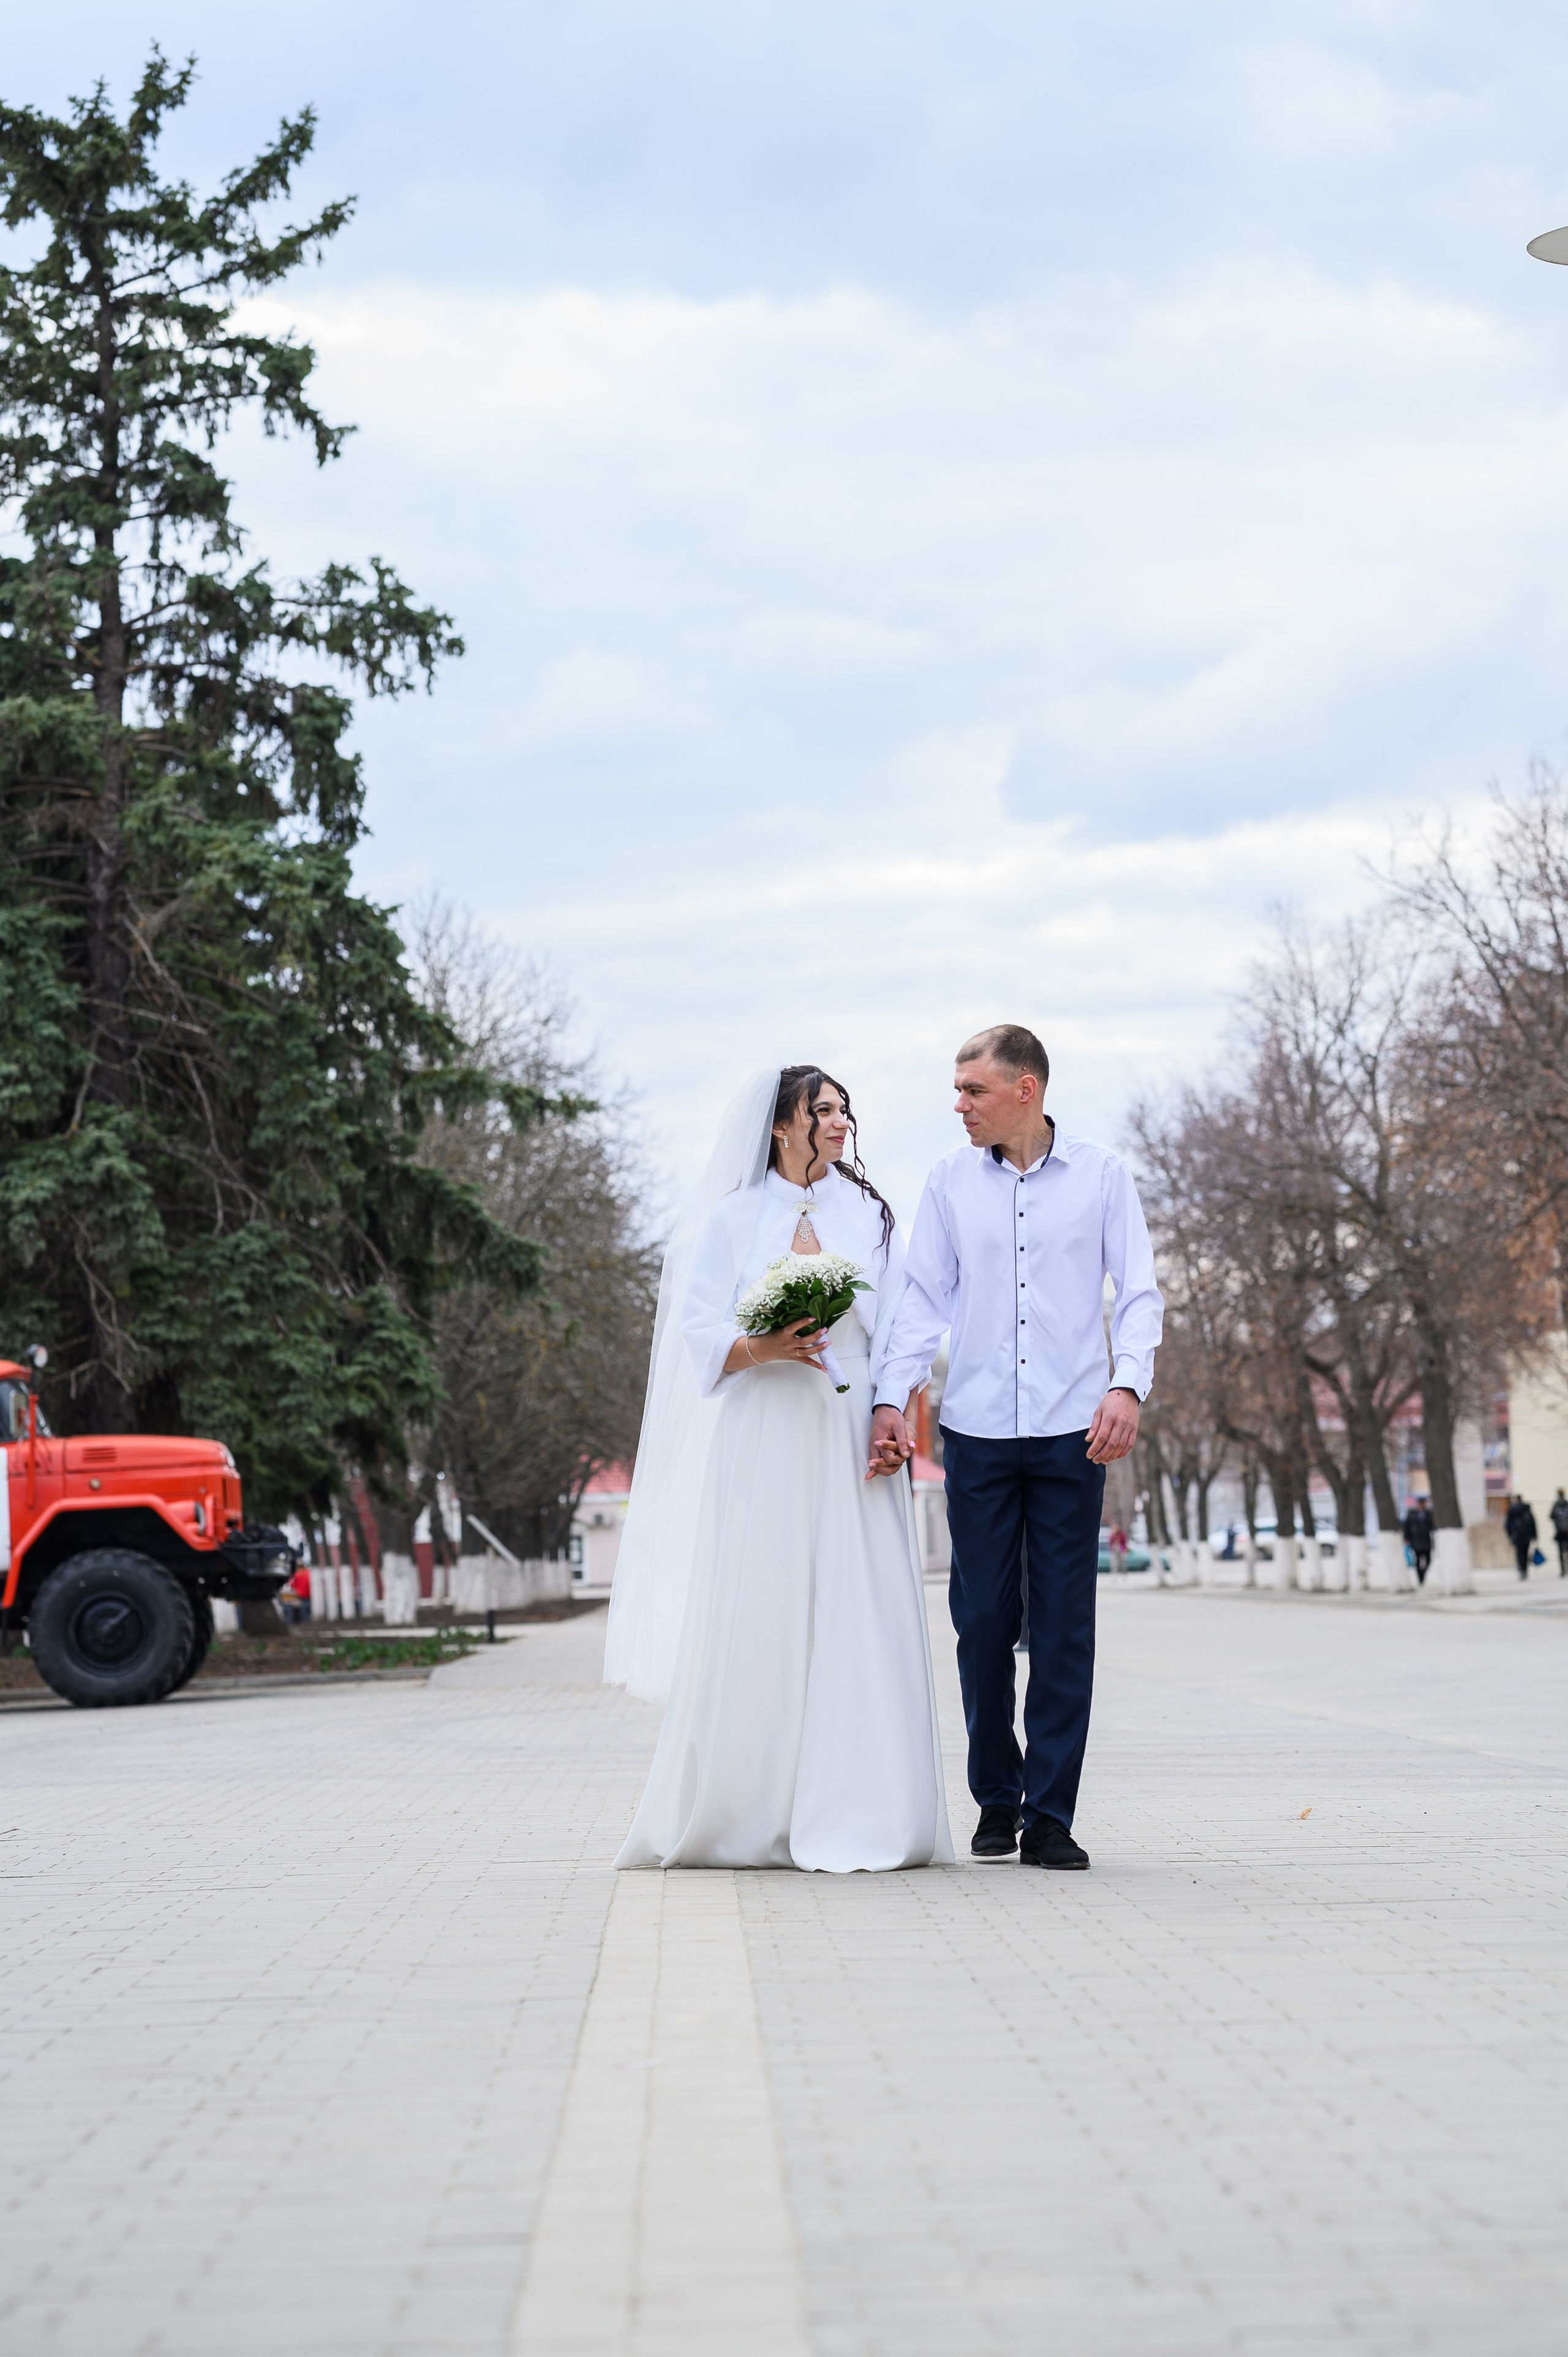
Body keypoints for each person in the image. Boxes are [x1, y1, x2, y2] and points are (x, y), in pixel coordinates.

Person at [608, 1066, 952, 1872]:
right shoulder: (732, 1219)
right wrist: (763, 1345)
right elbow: (698, 1325)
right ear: (779, 1125)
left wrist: (891, 1410)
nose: (838, 1123)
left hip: (849, 1423)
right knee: (762, 1599)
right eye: (821, 1111)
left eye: (841, 1110)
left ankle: (865, 1803)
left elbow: (902, 1322)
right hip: (765, 1422)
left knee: (855, 1599)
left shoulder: (868, 1215)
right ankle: (748, 1811)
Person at [867, 1024, 1162, 1872]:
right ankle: (996, 1798)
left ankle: (1051, 1815)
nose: (958, 1106)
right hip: (979, 1433)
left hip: (1076, 1432)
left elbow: (1138, 1293)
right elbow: (922, 1301)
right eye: (958, 1091)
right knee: (985, 1620)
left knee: (1067, 1627)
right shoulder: (950, 1183)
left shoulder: (1103, 1178)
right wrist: (895, 1396)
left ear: (1025, 1089)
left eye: (973, 1091)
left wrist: (1127, 1384)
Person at [1401, 1496, 1435, 1586]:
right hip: (1415, 1541)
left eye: (1423, 1504)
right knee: (1417, 1561)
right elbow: (1406, 1527)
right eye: (1420, 1504)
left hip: (1426, 1540)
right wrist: (1406, 1538)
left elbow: (1433, 1526)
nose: (1422, 1505)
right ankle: (1420, 1577)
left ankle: (1422, 1574)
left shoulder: (1429, 1514)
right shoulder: (1412, 1514)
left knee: (1428, 1560)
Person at [1504, 1493, 1538, 1582]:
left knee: (1520, 1553)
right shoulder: (1526, 1509)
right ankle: (1525, 1570)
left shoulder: (1512, 1510)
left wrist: (1510, 1535)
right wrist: (1534, 1535)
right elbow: (1533, 1523)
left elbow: (1508, 1525)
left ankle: (1521, 1570)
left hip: (1517, 1535)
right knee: (1526, 1553)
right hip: (1527, 1535)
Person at [1551, 1488, 1568, 1577]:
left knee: (1561, 1552)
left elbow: (1551, 1516)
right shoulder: (1567, 1504)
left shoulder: (1556, 1505)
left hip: (1560, 1532)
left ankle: (1563, 1570)